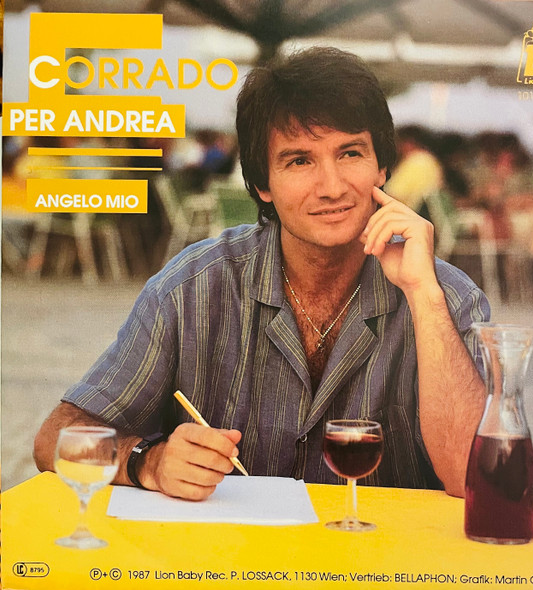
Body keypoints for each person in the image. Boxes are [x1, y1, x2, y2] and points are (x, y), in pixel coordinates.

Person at [34, 47, 489, 501]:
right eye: (300, 161)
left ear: (382, 167)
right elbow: (56, 438)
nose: (332, 187)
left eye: (350, 153)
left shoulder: (445, 297)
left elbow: (475, 479)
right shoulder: (193, 289)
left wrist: (424, 296)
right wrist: (145, 462)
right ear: (261, 184)